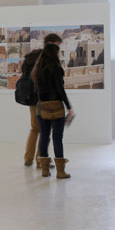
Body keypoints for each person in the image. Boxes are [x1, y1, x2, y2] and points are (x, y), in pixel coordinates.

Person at [32, 40, 74, 179]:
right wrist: (69, 107)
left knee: (44, 137)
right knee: (57, 138)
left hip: (42, 106)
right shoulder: (55, 67)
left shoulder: (38, 69)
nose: (59, 55)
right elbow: (60, 89)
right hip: (56, 106)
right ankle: (61, 172)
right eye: (57, 52)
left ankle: (44, 170)